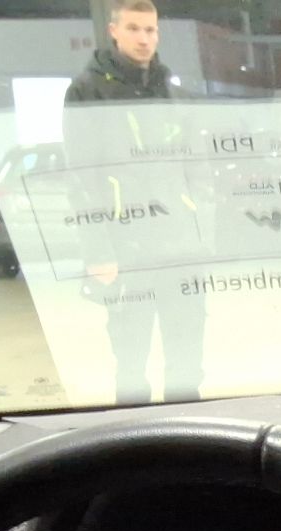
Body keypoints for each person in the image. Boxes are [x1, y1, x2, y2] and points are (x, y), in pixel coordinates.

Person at [64, 0, 202, 405]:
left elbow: (194, 166)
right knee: (130, 360)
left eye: (151, 30)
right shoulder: (87, 91)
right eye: (134, 28)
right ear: (114, 31)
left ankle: (186, 430)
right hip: (126, 249)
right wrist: (98, 251)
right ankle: (134, 434)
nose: (144, 38)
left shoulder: (171, 92)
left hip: (180, 248)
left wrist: (201, 231)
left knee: (187, 357)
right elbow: (81, 177)